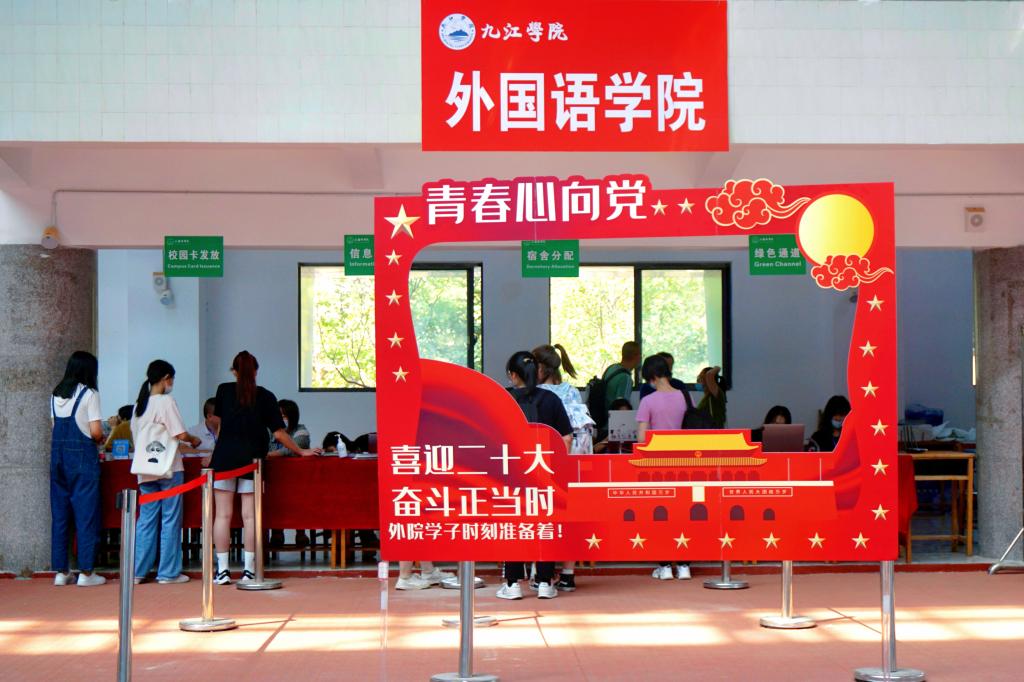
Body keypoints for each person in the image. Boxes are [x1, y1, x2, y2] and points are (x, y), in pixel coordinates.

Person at [210, 351, 320, 585]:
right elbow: (279, 433)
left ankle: (223, 570)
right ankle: (249, 570)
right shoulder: (266, 396)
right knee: (250, 517)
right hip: (252, 459)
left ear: (234, 371)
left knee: (222, 515)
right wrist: (301, 451)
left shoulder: (223, 390)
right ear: (256, 371)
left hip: (224, 458)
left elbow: (221, 426)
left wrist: (215, 451)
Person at [497, 351, 573, 601]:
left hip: (512, 474)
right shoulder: (550, 399)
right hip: (544, 474)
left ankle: (512, 585)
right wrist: (556, 466)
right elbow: (566, 438)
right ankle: (544, 583)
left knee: (515, 527)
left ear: (513, 375)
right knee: (544, 526)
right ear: (538, 372)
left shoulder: (503, 399)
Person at [130, 360, 202, 584]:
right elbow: (180, 434)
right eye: (172, 379)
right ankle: (168, 572)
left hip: (145, 469)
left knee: (146, 520)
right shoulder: (165, 401)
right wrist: (194, 440)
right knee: (170, 519)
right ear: (166, 378)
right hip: (169, 467)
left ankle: (138, 571)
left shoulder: (139, 406)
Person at [533, 343, 595, 592]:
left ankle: (540, 575)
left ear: (540, 368)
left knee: (543, 517)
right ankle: (568, 574)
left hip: (547, 460)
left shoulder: (537, 393)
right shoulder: (572, 391)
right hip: (578, 463)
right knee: (572, 517)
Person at [49, 351, 106, 587]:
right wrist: (102, 438)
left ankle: (61, 572)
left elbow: (54, 425)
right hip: (82, 460)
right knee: (86, 516)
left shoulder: (55, 394)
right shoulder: (89, 394)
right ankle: (86, 572)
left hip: (58, 459)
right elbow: (95, 432)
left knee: (60, 516)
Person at [636, 354, 692, 581]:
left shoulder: (648, 401)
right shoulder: (685, 397)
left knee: (660, 514)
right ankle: (685, 565)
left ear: (650, 376)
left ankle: (665, 565)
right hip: (686, 464)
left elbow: (642, 439)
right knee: (685, 514)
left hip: (657, 465)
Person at [602, 341, 642, 409]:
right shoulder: (626, 378)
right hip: (613, 415)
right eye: (640, 354)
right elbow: (622, 408)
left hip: (602, 413)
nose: (640, 357)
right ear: (636, 356)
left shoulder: (611, 369)